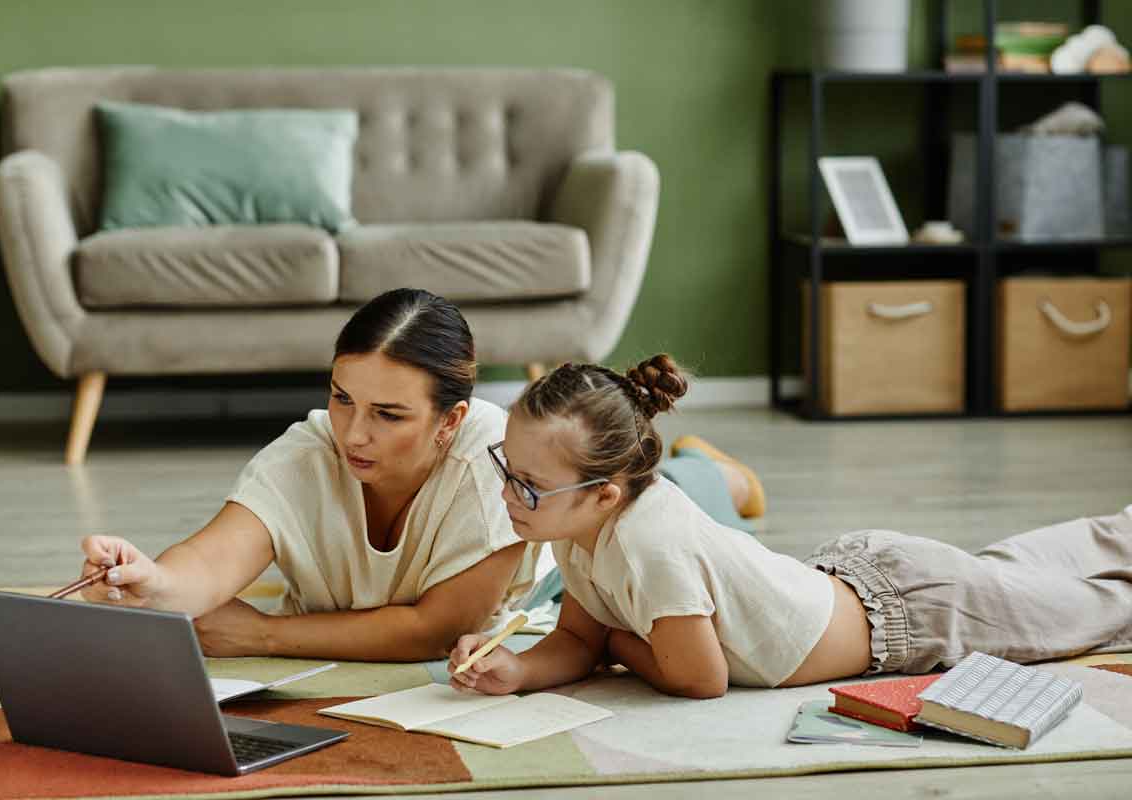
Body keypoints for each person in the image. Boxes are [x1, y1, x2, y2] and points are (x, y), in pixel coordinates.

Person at [448, 354, 1132, 698]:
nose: (509, 493)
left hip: (908, 615)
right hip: (864, 580)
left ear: (606, 494)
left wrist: (621, 644)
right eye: (509, 467)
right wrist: (519, 669)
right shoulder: (570, 530)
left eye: (529, 485)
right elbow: (575, 637)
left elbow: (700, 679)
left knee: (1093, 612)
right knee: (1025, 577)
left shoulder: (649, 546)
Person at [78, 288, 534, 661]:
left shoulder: (495, 461)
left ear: (450, 420)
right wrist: (150, 584)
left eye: (388, 415)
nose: (353, 435)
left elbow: (435, 632)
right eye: (342, 398)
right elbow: (211, 560)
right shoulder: (306, 454)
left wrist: (264, 634)